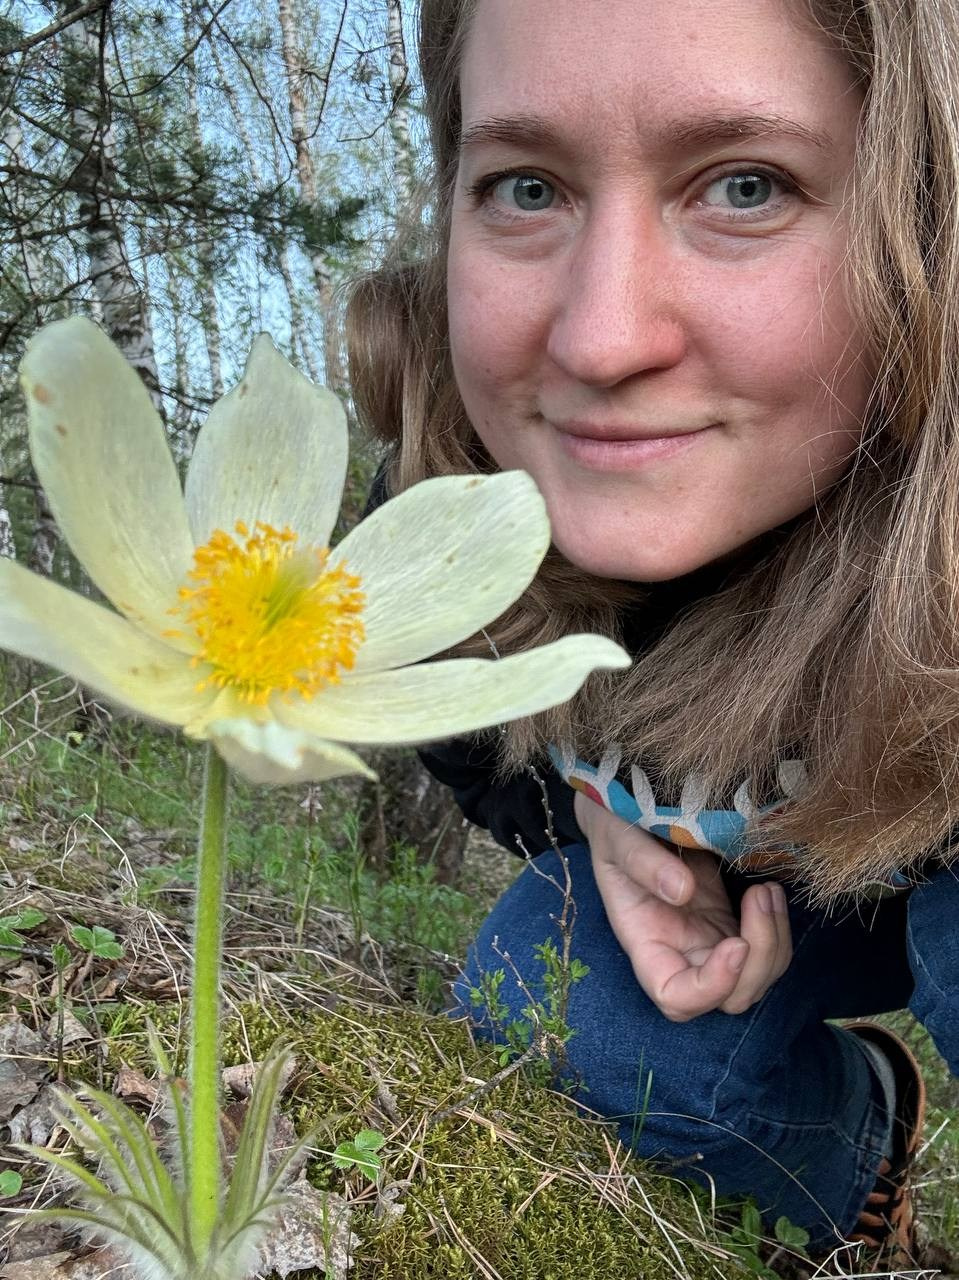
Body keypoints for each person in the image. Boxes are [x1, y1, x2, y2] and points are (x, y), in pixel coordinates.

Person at [347, 0, 959, 1267]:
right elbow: (472, 743)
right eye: (524, 186)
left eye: (744, 184)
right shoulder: (434, 522)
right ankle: (852, 1150)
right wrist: (590, 823)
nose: (599, 336)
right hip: (761, 911)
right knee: (551, 1000)